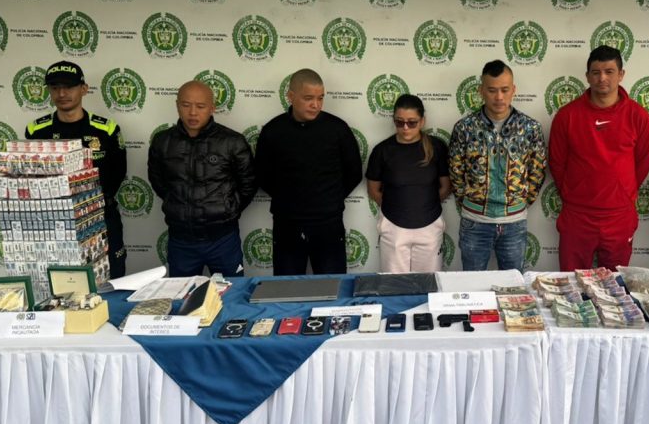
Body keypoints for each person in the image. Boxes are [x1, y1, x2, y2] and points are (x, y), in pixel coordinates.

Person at [548, 45, 649, 270]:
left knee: (615, 283)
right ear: (587, 76)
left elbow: (643, 162)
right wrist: (573, 193)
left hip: (619, 215)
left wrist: (622, 193)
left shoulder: (638, 116)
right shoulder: (567, 115)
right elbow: (557, 162)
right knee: (571, 281)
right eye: (596, 72)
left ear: (621, 74)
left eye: (609, 71)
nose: (602, 78)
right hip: (578, 215)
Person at [25, 60, 127, 278]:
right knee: (61, 282)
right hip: (54, 221)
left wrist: (91, 204)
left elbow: (118, 173)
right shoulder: (37, 131)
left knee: (113, 279)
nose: (62, 93)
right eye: (55, 88)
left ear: (84, 89)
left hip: (101, 216)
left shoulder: (106, 130)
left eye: (69, 87)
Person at [255, 69, 362, 275]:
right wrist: (289, 200)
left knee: (332, 286)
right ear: (291, 96)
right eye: (308, 98)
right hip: (287, 224)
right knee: (286, 286)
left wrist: (328, 200)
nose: (316, 105)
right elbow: (263, 175)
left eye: (320, 98)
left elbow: (353, 172)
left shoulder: (338, 129)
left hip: (328, 224)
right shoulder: (273, 130)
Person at [148, 81, 257, 277]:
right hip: (181, 241)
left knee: (231, 292)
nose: (192, 113)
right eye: (186, 105)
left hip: (223, 239)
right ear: (177, 105)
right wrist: (177, 204)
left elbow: (248, 184)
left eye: (200, 106)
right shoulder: (162, 141)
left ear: (212, 108)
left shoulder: (232, 141)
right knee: (182, 294)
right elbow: (158, 182)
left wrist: (228, 208)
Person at [449, 60, 546, 271]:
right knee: (472, 284)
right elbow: (456, 172)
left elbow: (537, 171)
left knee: (513, 284)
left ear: (514, 90)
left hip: (514, 222)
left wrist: (519, 202)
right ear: (481, 91)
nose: (499, 97)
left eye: (504, 90)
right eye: (492, 90)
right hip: (474, 222)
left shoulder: (530, 128)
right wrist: (472, 200)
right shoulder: (465, 128)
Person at [366, 95, 450, 272]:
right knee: (393, 284)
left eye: (412, 122)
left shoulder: (437, 147)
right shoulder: (382, 151)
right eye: (399, 122)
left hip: (430, 226)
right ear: (394, 120)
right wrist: (398, 207)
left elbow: (446, 186)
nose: (405, 127)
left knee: (427, 283)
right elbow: (373, 190)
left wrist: (423, 206)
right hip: (393, 227)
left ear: (422, 121)